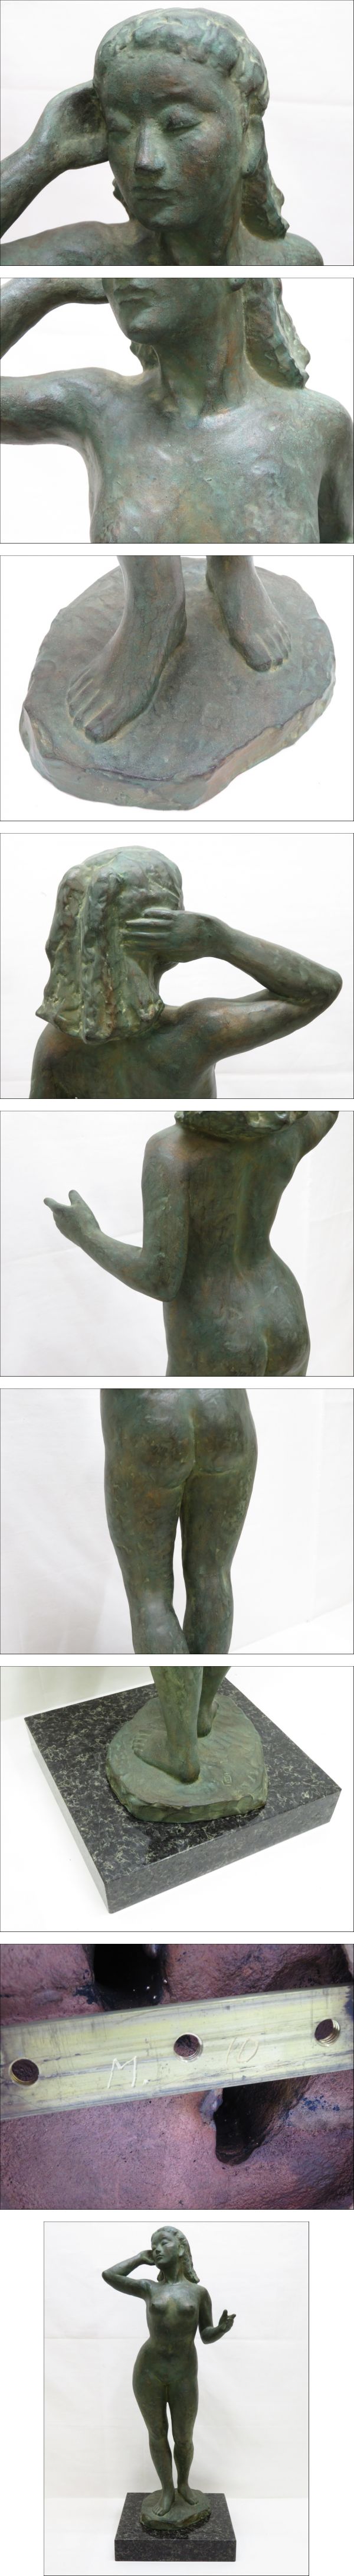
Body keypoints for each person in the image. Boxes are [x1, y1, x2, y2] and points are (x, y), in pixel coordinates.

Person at [3, 274, 352, 545]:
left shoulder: (318, 425)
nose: (126, 275)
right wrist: (51, 283)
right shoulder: (98, 405)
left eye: (165, 251)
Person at [1, 9, 323, 268]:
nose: (144, 160)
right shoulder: (89, 257)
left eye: (178, 124)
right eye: (120, 129)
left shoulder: (292, 261)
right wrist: (41, 156)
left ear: (249, 138)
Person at [30, 843, 343, 1101]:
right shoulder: (197, 1033)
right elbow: (320, 990)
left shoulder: (56, 1046)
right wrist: (220, 939)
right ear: (169, 934)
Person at [45, 1108, 338, 1378]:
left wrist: (87, 1234)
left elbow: (159, 1278)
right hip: (284, 1312)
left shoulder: (172, 1151)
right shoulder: (286, 1131)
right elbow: (329, 1109)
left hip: (215, 1329)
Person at [99, 1387, 258, 1652]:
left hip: (148, 1416)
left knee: (151, 1598)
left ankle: (182, 1683)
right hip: (225, 1410)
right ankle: (201, 1683)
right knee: (213, 1576)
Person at [102, 2226, 235, 2524]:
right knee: (157, 2433)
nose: (157, 2249)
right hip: (149, 2371)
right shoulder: (150, 2288)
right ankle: (166, 2490)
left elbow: (206, 2335)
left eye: (163, 2243)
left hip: (184, 2374)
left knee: (183, 2437)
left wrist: (221, 2330)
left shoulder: (198, 2293)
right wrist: (141, 2258)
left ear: (182, 2248)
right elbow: (110, 2275)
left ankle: (183, 2484)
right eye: (153, 2245)